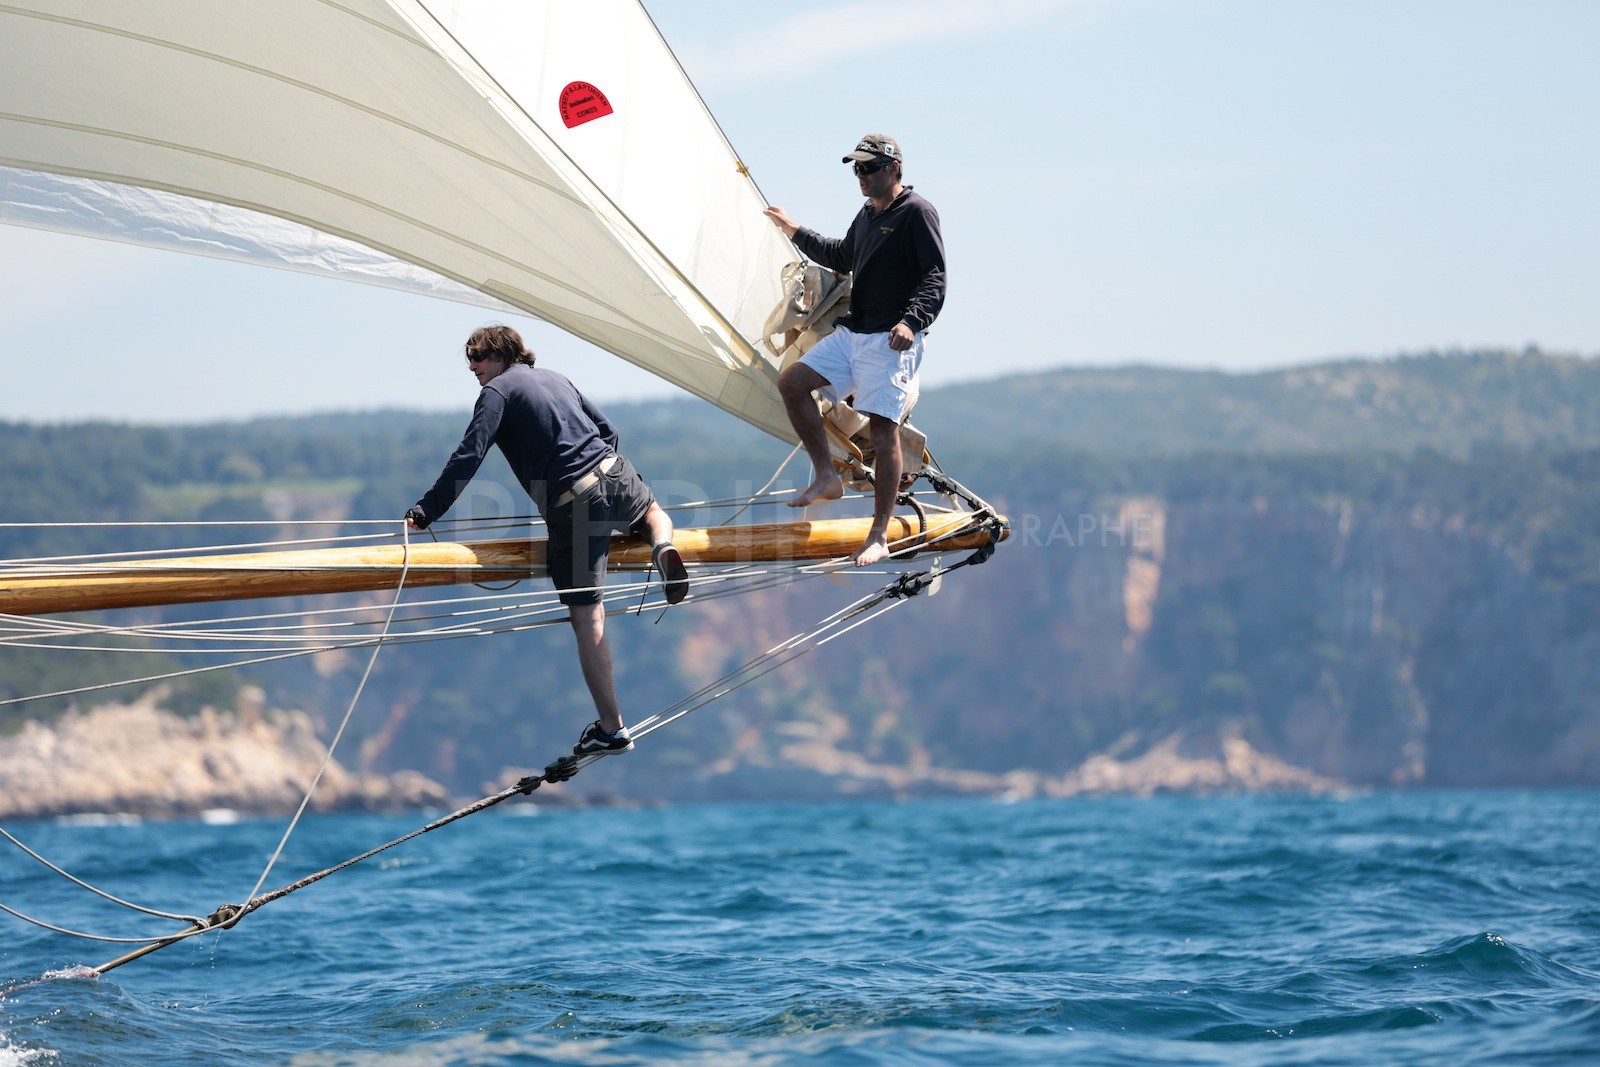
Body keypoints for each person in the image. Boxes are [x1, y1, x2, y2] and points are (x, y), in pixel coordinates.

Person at [405, 325, 689, 758]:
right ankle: (662, 546)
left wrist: (427, 511)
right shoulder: (557, 378)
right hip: (614, 469)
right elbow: (607, 429)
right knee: (653, 514)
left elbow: (469, 455)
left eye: (477, 356)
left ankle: (612, 727)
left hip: (574, 499)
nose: (471, 366)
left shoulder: (497, 393)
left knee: (588, 617)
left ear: (501, 354)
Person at [763, 133, 946, 566]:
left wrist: (911, 321)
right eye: (856, 169)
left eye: (869, 168)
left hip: (890, 339)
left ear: (894, 169)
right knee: (792, 382)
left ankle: (878, 534)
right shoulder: (866, 214)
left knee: (884, 433)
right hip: (855, 332)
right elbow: (843, 255)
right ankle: (826, 475)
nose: (860, 176)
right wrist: (794, 230)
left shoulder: (917, 213)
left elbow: (935, 278)